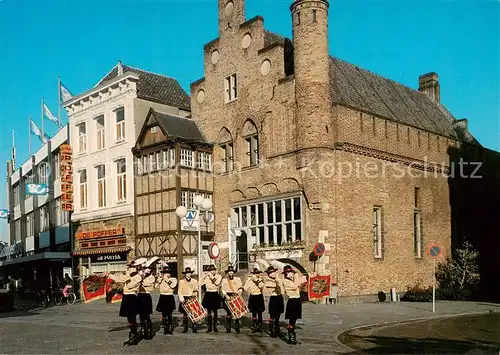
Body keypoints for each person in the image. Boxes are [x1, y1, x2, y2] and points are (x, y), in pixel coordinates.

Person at [108, 258, 145, 346]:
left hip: (132, 297)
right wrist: (109, 275)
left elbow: (129, 284)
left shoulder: (138, 277)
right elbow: (119, 278)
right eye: (129, 267)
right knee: (129, 318)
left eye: (132, 267)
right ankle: (132, 335)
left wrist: (127, 276)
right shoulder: (130, 275)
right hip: (126, 297)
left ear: (136, 268)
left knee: (132, 318)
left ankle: (134, 337)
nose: (129, 269)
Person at [282, 265, 303, 345]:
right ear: (285, 273)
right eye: (288, 272)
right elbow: (296, 286)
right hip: (292, 301)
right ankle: (291, 339)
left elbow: (300, 284)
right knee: (291, 320)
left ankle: (292, 337)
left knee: (294, 319)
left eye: (291, 272)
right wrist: (296, 275)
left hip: (297, 300)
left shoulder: (293, 280)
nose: (290, 273)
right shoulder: (285, 281)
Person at [221, 265, 243, 333]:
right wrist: (226, 295)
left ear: (233, 272)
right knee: (228, 312)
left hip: (235, 295)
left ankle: (237, 327)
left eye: (232, 271)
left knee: (237, 312)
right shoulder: (224, 280)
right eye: (229, 272)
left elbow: (241, 287)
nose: (230, 273)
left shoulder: (238, 279)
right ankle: (228, 327)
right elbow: (222, 288)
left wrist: (239, 294)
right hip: (227, 296)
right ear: (228, 272)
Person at [155, 266, 177, 335]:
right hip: (162, 296)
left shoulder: (173, 279)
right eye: (164, 273)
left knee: (169, 313)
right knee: (163, 314)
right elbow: (155, 287)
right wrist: (158, 281)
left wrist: (167, 280)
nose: (166, 274)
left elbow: (173, 286)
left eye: (167, 273)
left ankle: (170, 328)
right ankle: (165, 327)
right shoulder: (161, 279)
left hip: (169, 296)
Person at [264, 265, 284, 338]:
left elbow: (282, 286)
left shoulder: (278, 279)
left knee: (278, 316)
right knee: (272, 315)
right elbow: (274, 286)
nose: (272, 274)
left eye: (273, 272)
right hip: (273, 298)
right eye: (270, 273)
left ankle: (277, 330)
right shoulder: (267, 280)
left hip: (279, 297)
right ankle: (271, 330)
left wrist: (278, 279)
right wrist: (277, 280)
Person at [178, 267, 199, 333]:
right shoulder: (181, 281)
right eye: (187, 273)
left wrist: (194, 295)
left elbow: (196, 289)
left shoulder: (194, 281)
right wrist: (181, 297)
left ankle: (194, 327)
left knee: (193, 313)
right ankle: (185, 327)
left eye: (189, 273)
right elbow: (179, 291)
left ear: (191, 274)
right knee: (185, 314)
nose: (188, 275)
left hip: (191, 297)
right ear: (185, 274)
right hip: (184, 298)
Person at [201, 264, 222, 333]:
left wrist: (210, 277)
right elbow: (200, 283)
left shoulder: (218, 276)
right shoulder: (207, 277)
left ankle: (215, 327)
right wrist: (203, 277)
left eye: (214, 270)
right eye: (211, 270)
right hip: (208, 293)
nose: (212, 271)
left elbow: (217, 283)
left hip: (215, 293)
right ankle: (209, 327)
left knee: (215, 312)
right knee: (209, 312)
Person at [137, 265, 155, 340]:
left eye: (147, 269)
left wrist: (141, 276)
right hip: (140, 295)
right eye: (145, 269)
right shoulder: (141, 276)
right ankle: (143, 331)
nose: (146, 270)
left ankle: (149, 332)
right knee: (141, 316)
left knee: (147, 316)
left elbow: (145, 283)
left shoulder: (152, 277)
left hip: (146, 296)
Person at [244, 268, 265, 333]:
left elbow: (262, 286)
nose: (257, 275)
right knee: (253, 312)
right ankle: (254, 325)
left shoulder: (261, 280)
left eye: (258, 273)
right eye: (256, 273)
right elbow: (245, 287)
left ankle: (260, 326)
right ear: (253, 274)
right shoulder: (250, 280)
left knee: (260, 312)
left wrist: (257, 280)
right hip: (253, 296)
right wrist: (250, 290)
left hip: (259, 296)